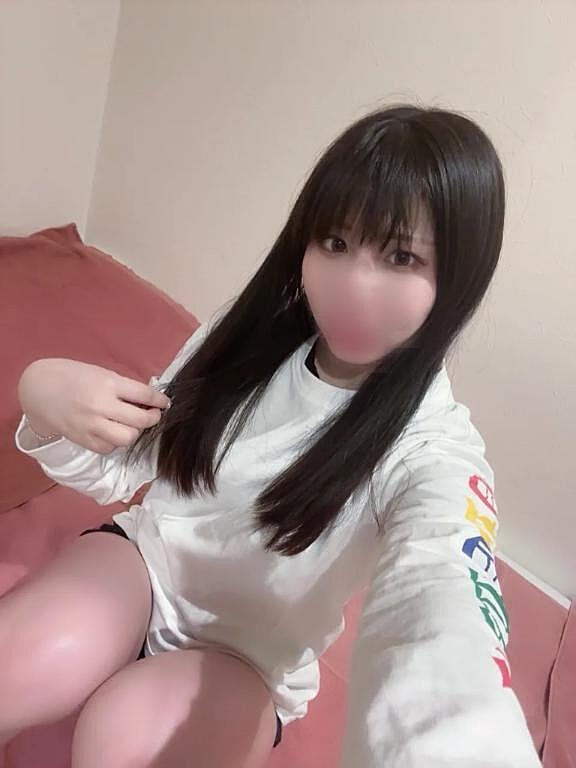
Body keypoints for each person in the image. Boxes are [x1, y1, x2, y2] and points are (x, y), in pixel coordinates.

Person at [5, 103, 542, 767]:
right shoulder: (254, 332)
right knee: (25, 664)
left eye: (401, 256)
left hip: (248, 662)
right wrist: (43, 392)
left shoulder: (430, 447)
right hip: (143, 565)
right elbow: (134, 457)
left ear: (458, 275)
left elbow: (446, 597)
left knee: (127, 740)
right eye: (335, 243)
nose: (352, 286)